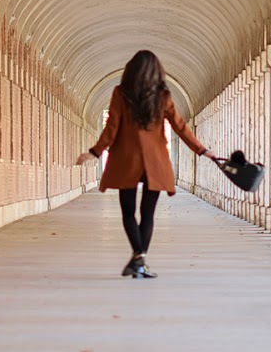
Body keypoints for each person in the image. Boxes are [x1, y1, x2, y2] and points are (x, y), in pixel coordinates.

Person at [76, 50, 218, 278]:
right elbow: (180, 126)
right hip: (156, 163)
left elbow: (112, 127)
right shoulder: (162, 97)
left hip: (126, 161)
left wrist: (95, 152)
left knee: (128, 212)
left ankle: (138, 258)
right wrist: (202, 150)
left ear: (130, 71)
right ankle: (140, 261)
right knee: (148, 214)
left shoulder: (120, 94)